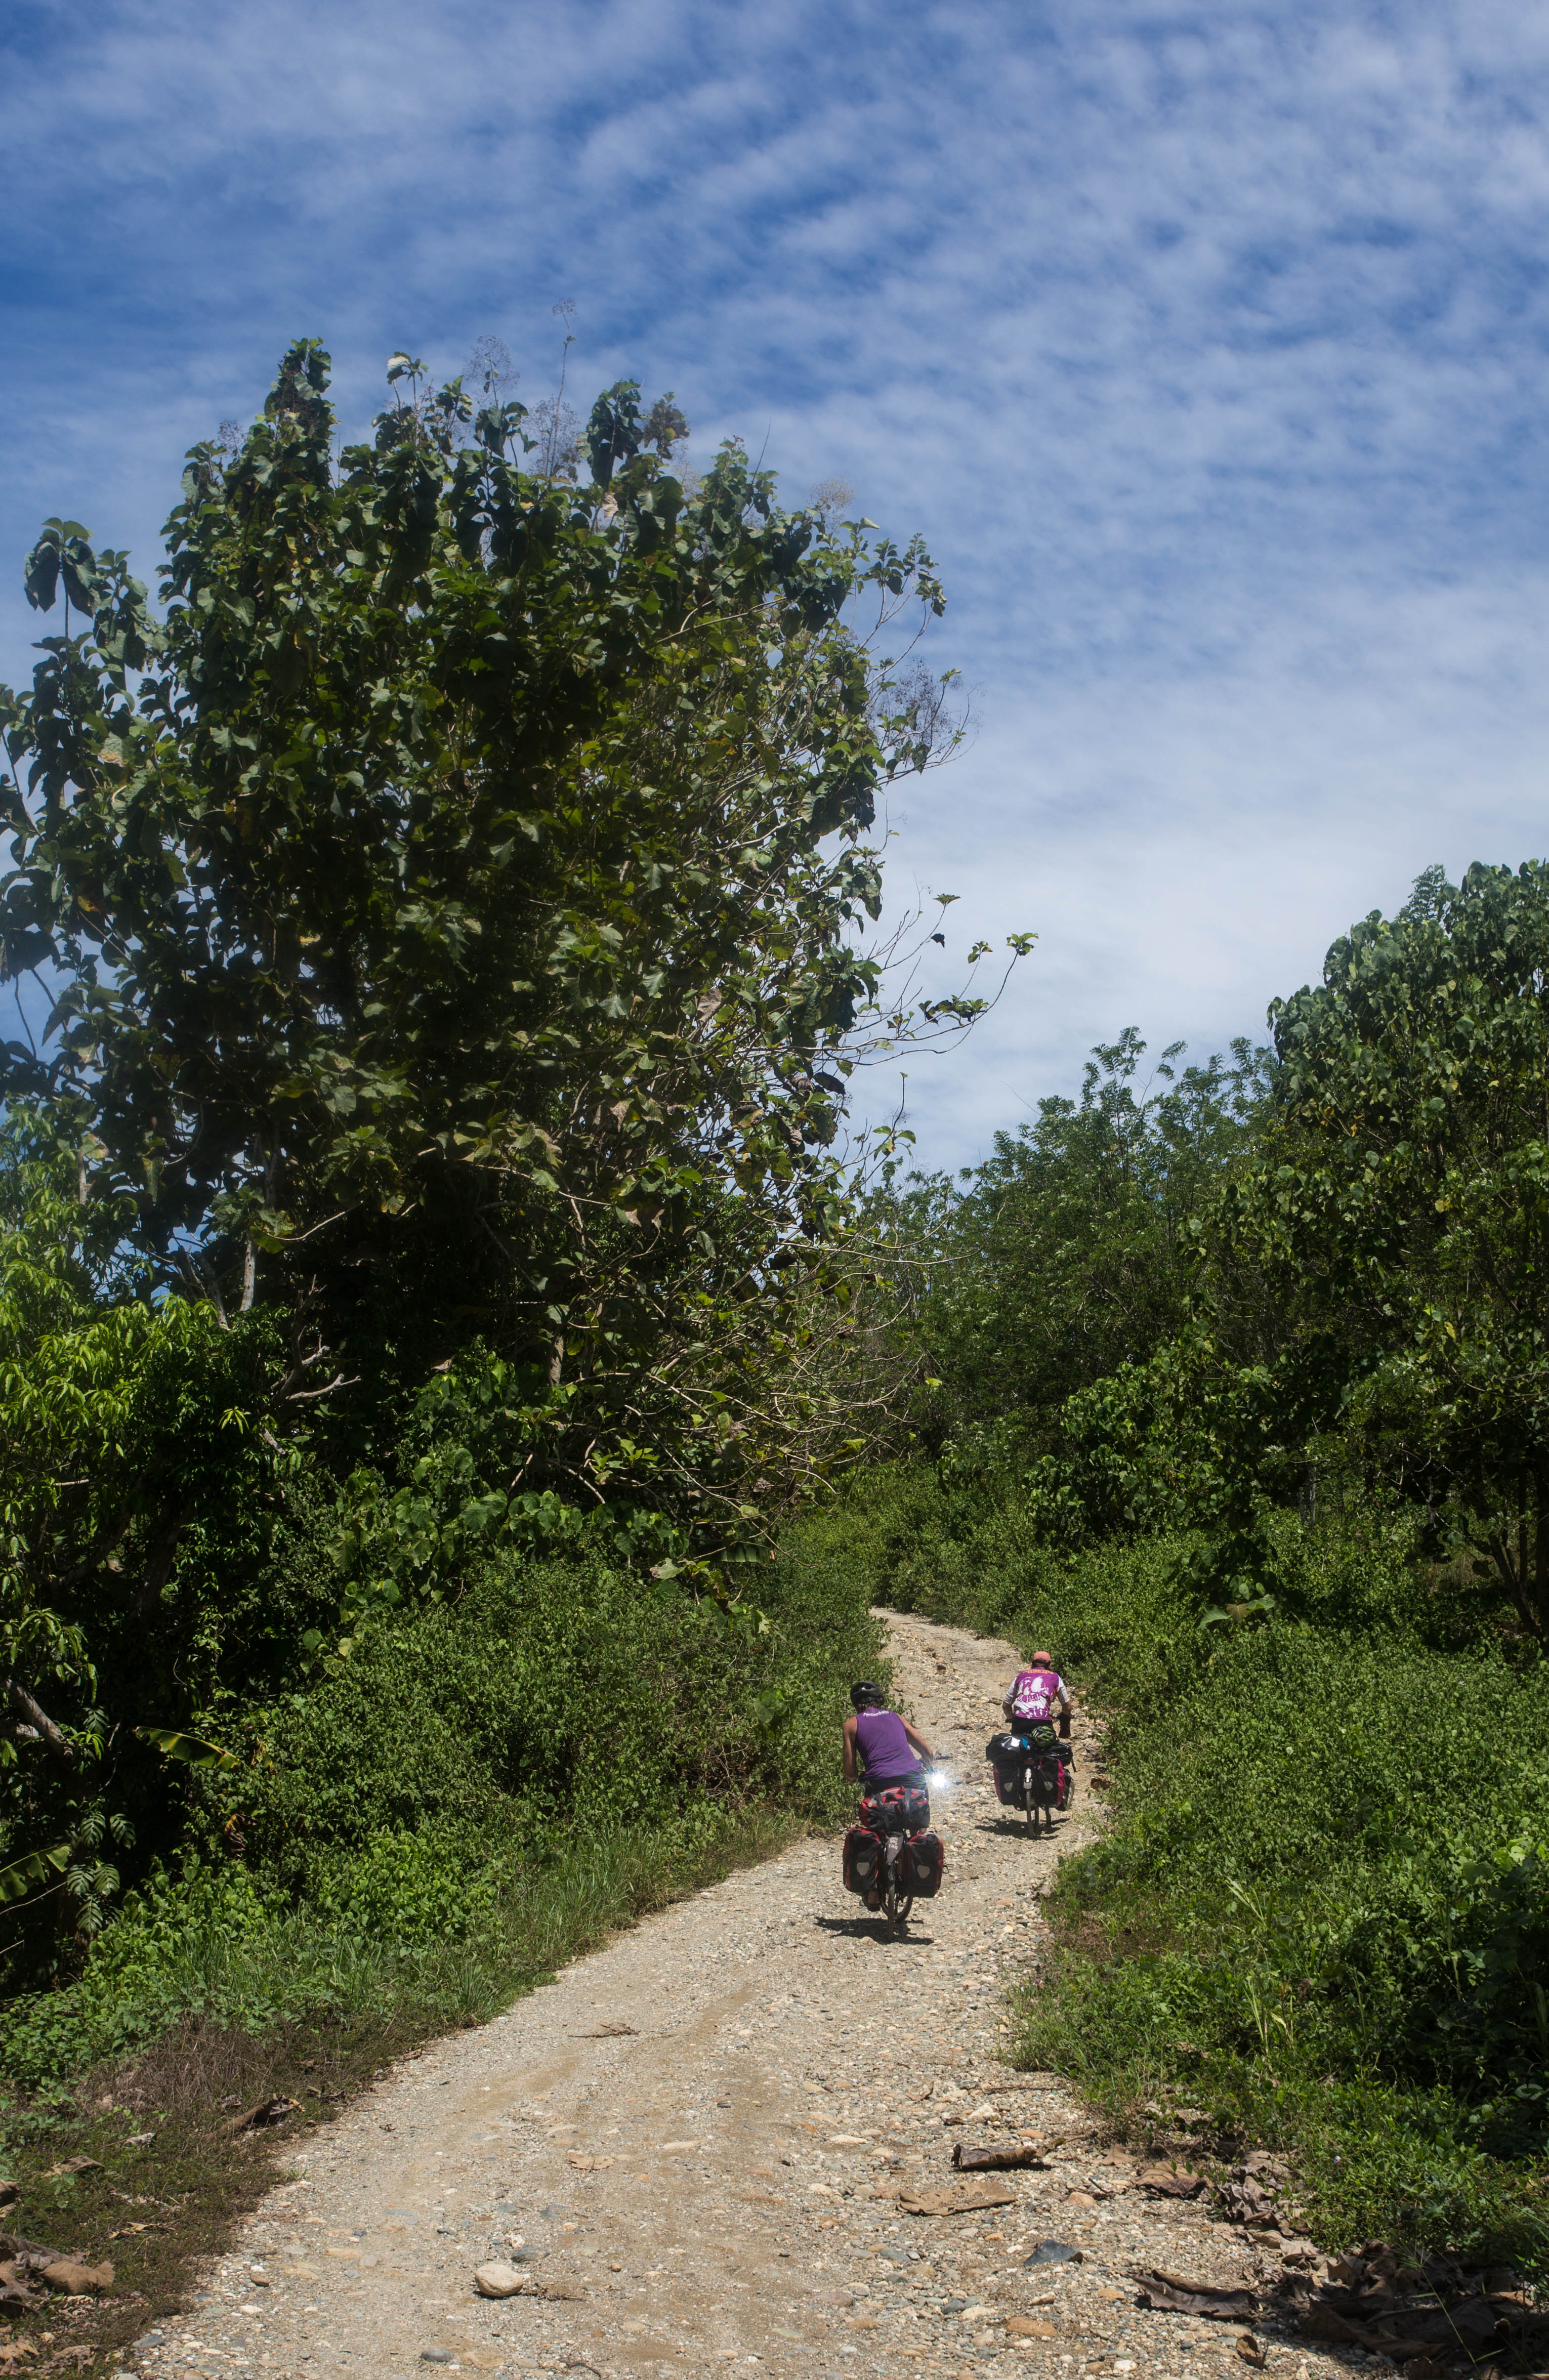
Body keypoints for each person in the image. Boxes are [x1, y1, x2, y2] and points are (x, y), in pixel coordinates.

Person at [998, 1650, 1073, 1809]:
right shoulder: (1055, 1677)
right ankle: (1052, 1790)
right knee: (1046, 1754)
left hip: (1020, 1721)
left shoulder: (1021, 1676)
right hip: (1043, 1721)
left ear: (1031, 1664)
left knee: (1019, 1754)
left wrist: (1011, 1718)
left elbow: (1006, 1705)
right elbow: (1067, 1706)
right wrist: (1064, 1715)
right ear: (1049, 1665)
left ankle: (1019, 1789)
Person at [843, 1681, 937, 1789]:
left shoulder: (851, 1725)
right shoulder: (896, 1717)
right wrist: (928, 1765)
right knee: (921, 1804)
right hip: (913, 1778)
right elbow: (927, 1752)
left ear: (855, 1705)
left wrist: (855, 1779)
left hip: (880, 1783)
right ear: (880, 1700)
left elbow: (850, 1774)